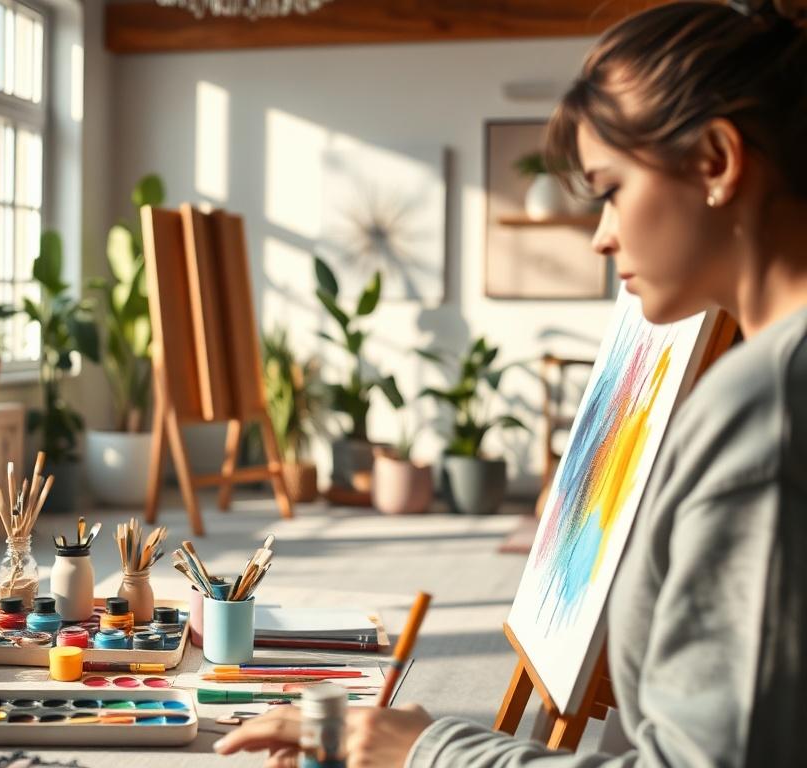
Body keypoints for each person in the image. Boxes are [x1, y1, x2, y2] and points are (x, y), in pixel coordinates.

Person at [214, 0, 807, 765]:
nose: (600, 234)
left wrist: (425, 750)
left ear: (718, 162)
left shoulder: (767, 404)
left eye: (609, 189)